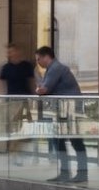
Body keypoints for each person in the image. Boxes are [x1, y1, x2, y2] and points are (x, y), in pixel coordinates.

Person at [36, 44, 87, 182]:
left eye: (39, 59)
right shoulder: (53, 68)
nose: (38, 63)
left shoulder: (56, 68)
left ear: (47, 57)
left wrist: (38, 89)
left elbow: (44, 89)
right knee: (59, 141)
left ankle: (81, 173)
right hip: (63, 109)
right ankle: (66, 172)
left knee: (74, 140)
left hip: (69, 109)